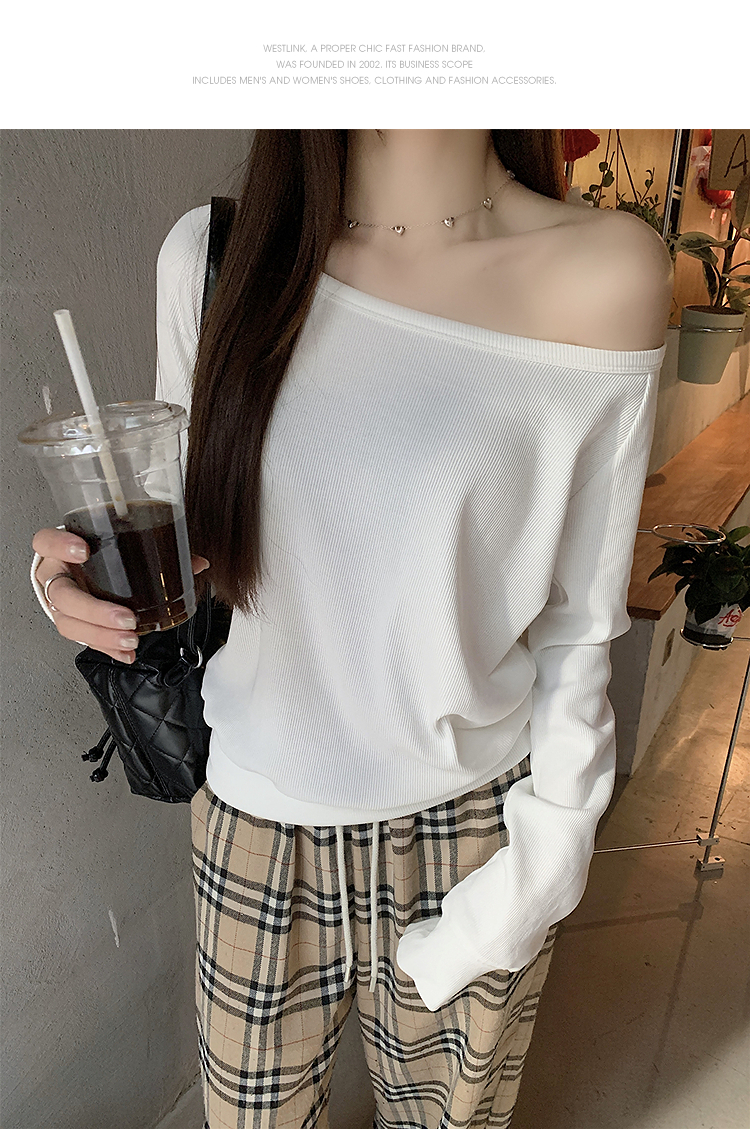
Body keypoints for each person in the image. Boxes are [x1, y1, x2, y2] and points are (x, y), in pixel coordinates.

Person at [30, 129, 673, 1128]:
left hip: (470, 830)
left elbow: (579, 627)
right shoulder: (215, 257)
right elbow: (177, 535)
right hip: (254, 828)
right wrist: (65, 579)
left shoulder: (606, 271)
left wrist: (539, 873)